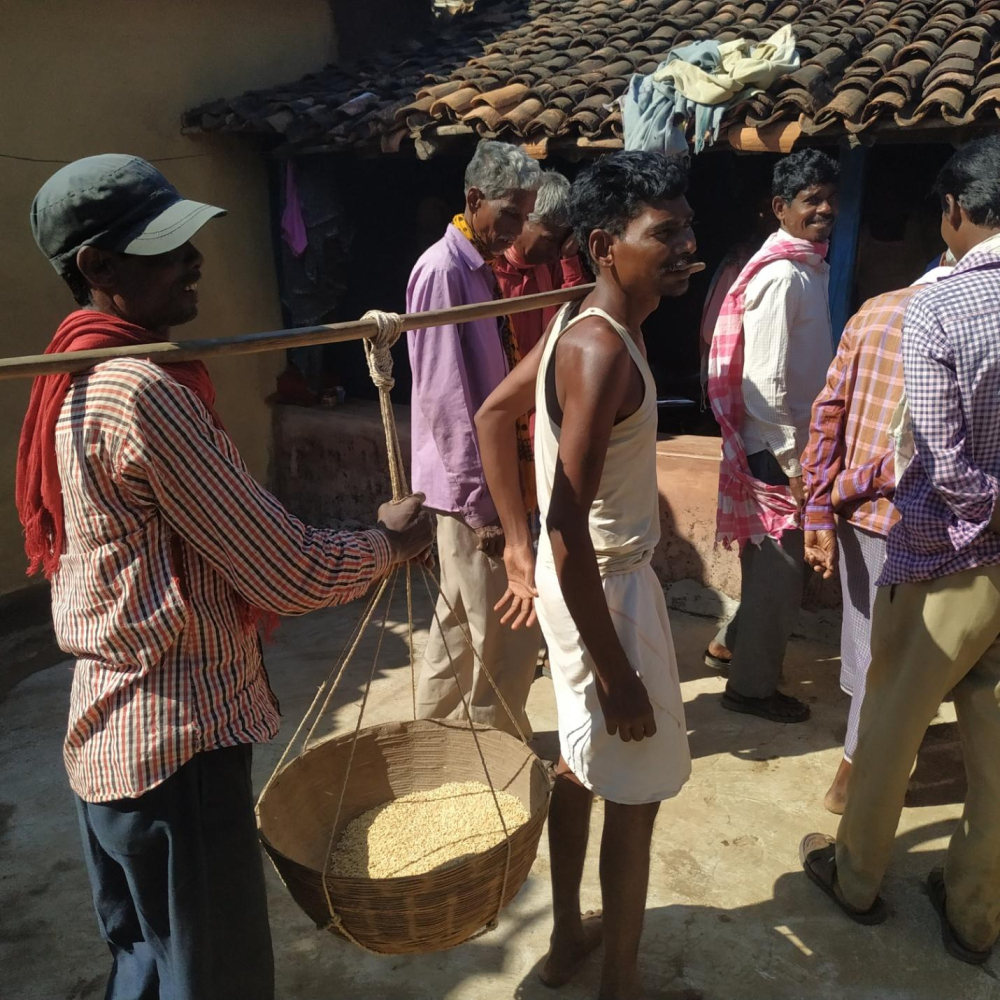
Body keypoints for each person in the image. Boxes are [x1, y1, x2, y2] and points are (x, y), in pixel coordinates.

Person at [15, 155, 433, 999]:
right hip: (179, 748)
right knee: (216, 975)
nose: (196, 264)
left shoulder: (72, 377)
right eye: (167, 250)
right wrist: (387, 543)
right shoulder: (141, 392)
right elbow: (286, 570)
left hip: (111, 738)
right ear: (97, 268)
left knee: (146, 962)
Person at [476, 151, 695, 1000]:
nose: (685, 248)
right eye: (665, 234)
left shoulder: (583, 322)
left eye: (687, 231)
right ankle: (622, 985)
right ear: (607, 244)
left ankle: (570, 940)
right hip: (606, 594)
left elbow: (498, 416)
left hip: (589, 592)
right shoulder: (599, 350)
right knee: (634, 799)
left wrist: (514, 542)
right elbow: (568, 527)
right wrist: (618, 673)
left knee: (581, 768)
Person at [800, 135, 1000, 966]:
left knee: (889, 729)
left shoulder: (940, 305)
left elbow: (941, 459)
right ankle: (976, 913)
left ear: (954, 212)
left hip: (947, 558)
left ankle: (855, 879)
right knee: (996, 754)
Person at [799, 259, 954, 814]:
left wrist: (823, 503)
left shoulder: (875, 311)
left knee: (869, 648)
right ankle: (854, 775)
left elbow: (827, 415)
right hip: (934, 520)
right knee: (899, 659)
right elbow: (913, 451)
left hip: (864, 519)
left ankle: (856, 767)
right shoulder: (969, 319)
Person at [407, 140, 543, 738]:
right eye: (509, 214)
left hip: (476, 484)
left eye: (524, 216)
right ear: (474, 199)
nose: (515, 232)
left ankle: (431, 741)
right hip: (473, 489)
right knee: (503, 634)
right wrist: (481, 503)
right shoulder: (444, 270)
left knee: (460, 625)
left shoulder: (475, 267)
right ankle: (494, 758)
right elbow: (446, 397)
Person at [706, 148, 839, 723]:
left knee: (768, 564)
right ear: (781, 207)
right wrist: (793, 460)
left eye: (832, 198)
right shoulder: (783, 275)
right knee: (780, 576)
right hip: (776, 448)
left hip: (782, 445)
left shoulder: (804, 265)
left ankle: (729, 646)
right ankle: (752, 688)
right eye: (812, 200)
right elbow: (764, 381)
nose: (826, 208)